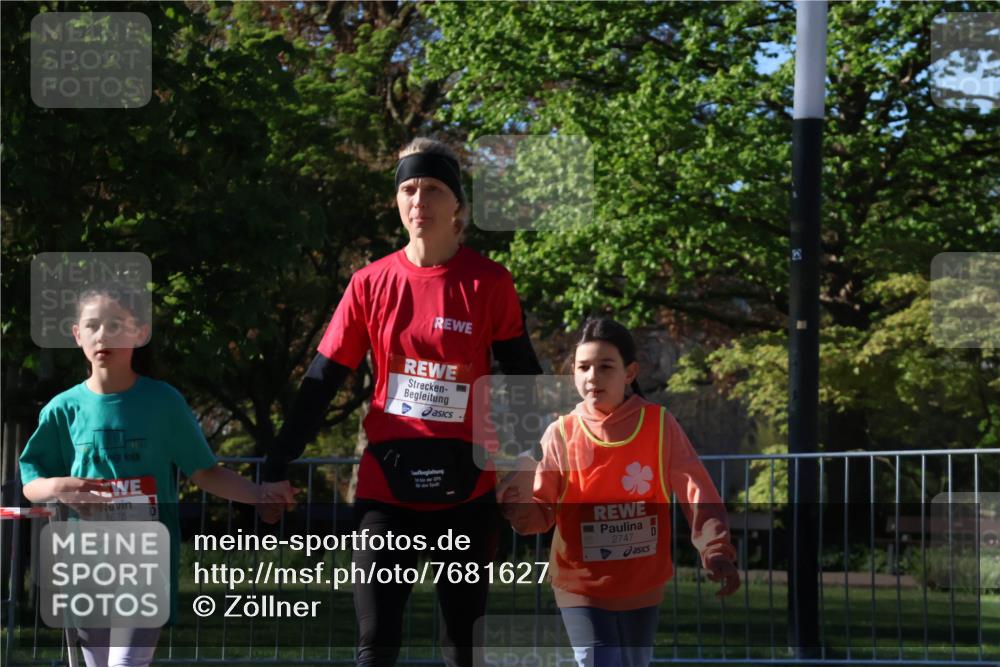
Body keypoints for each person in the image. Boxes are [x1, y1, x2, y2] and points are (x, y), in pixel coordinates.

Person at [261, 138, 543, 667]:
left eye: (433, 189)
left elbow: (524, 374)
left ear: (457, 204)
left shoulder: (489, 282)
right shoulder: (371, 283)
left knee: (464, 647)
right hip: (386, 492)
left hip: (469, 491)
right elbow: (322, 380)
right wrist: (279, 462)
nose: (419, 201)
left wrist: (530, 461)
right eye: (408, 189)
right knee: (376, 643)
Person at [19, 283, 295, 667]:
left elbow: (205, 471)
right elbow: (31, 483)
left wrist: (259, 493)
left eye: (116, 324)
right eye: (93, 325)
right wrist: (58, 486)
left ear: (140, 332)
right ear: (77, 335)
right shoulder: (61, 410)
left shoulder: (164, 402)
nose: (103, 335)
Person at [497, 317, 740, 667]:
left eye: (605, 366)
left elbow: (696, 490)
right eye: (583, 367)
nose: (592, 376)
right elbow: (541, 513)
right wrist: (516, 505)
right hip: (580, 586)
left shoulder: (659, 425)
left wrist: (716, 550)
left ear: (630, 372)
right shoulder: (560, 432)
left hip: (642, 584)